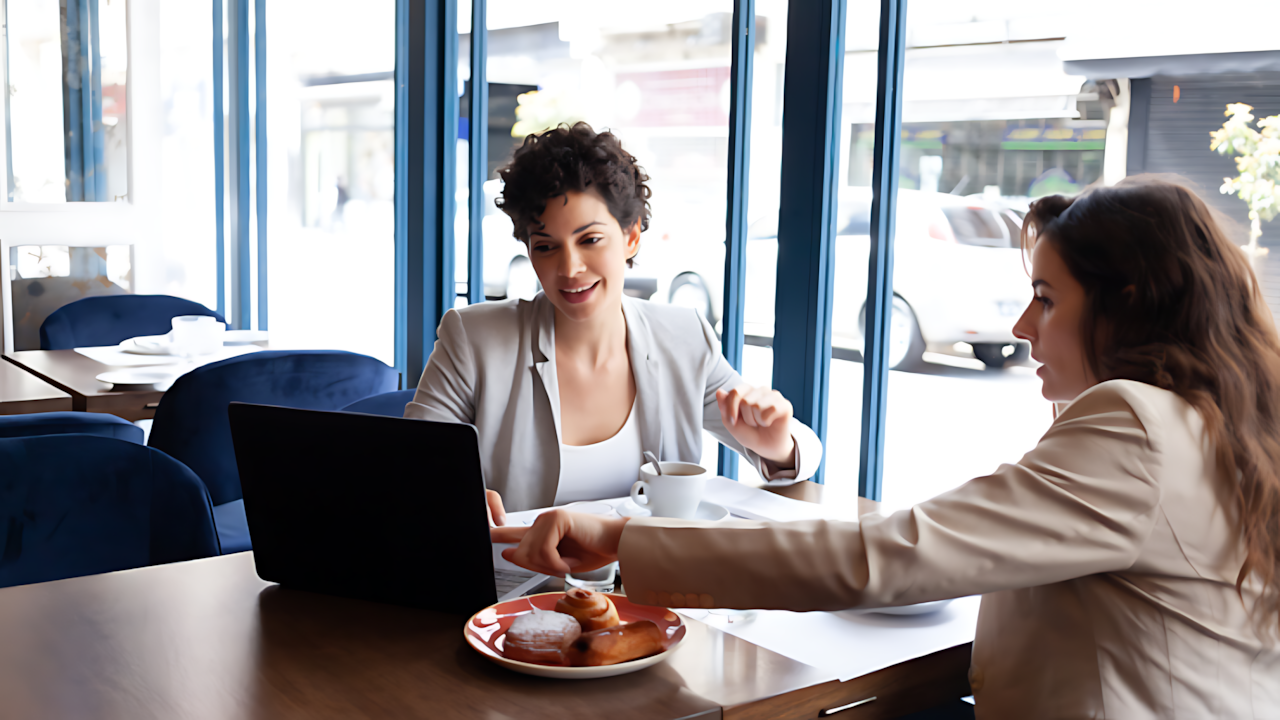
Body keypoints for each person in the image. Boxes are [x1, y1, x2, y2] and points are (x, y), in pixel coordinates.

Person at [493, 176, 1280, 718]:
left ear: (1130, 302)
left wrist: (631, 539)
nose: (1020, 328)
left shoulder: (1136, 427)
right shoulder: (1222, 415)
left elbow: (892, 555)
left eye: (1045, 298)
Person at [405, 122, 822, 518]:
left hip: (649, 580)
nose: (569, 268)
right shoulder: (475, 339)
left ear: (631, 236)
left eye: (589, 240)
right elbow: (408, 468)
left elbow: (801, 452)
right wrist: (453, 495)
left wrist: (778, 446)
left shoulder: (683, 339)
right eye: (546, 246)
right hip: (520, 583)